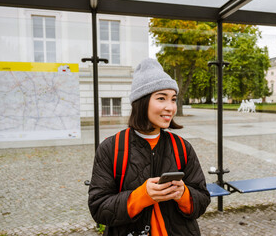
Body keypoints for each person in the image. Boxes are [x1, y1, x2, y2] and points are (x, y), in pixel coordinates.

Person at [88, 58, 210, 236]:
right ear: (141, 101)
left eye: (173, 99)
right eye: (161, 98)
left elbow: (202, 200)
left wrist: (183, 194)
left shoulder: (182, 147)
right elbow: (99, 209)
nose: (170, 107)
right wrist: (142, 196)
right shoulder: (111, 148)